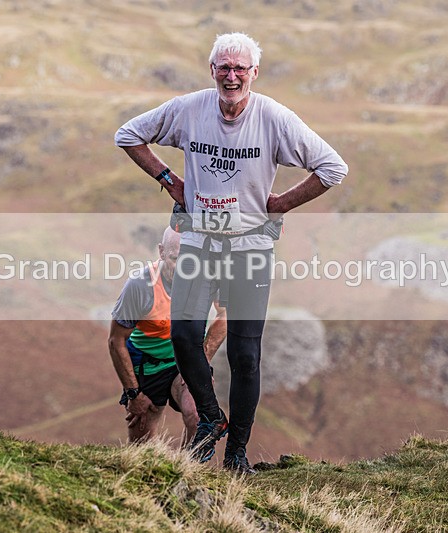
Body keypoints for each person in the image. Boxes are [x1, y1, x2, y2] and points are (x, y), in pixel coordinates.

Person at [115, 32, 348, 473]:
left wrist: (280, 203)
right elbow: (127, 135)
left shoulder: (275, 118)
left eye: (241, 68)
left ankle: (237, 451)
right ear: (212, 71)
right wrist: (169, 179)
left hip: (251, 247)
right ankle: (209, 416)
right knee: (184, 335)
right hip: (200, 240)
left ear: (254, 74)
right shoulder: (189, 109)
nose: (232, 75)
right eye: (224, 67)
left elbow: (333, 167)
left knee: (245, 355)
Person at [108, 227, 226, 446]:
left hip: (185, 361)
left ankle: (188, 474)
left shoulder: (207, 275)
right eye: (175, 259)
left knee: (199, 416)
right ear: (161, 252)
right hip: (146, 365)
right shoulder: (140, 285)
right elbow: (116, 341)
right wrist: (133, 393)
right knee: (141, 446)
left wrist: (202, 359)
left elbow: (226, 314)